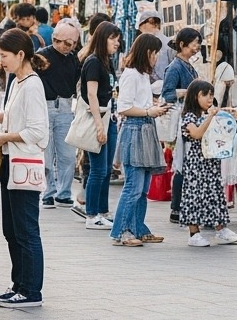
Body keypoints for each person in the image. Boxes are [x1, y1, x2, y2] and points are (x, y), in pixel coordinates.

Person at [0, 30, 47, 308]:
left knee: (26, 230)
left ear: (20, 55)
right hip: (9, 163)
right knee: (11, 230)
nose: (0, 61)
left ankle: (30, 291)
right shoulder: (17, 81)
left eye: (4, 56)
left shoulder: (32, 84)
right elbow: (16, 115)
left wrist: (6, 136)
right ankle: (19, 285)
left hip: (23, 164)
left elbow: (37, 129)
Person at [110, 33, 168, 247]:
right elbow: (124, 107)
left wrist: (153, 108)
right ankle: (121, 231)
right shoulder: (132, 74)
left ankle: (138, 227)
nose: (157, 57)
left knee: (143, 187)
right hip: (135, 130)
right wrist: (148, 111)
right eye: (155, 53)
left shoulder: (142, 75)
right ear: (147, 52)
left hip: (145, 128)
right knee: (133, 186)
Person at [178, 80, 237, 247]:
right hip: (196, 164)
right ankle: (194, 233)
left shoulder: (207, 114)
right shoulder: (189, 117)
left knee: (215, 194)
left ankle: (221, 229)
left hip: (211, 161)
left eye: (211, 95)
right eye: (205, 95)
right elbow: (197, 134)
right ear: (195, 96)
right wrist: (211, 117)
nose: (209, 98)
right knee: (194, 196)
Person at [79, 21, 122, 228]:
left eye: (118, 39)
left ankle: (102, 211)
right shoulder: (94, 62)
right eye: (113, 38)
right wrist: (98, 124)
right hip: (99, 118)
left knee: (105, 169)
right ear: (102, 38)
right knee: (97, 169)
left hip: (110, 118)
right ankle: (92, 214)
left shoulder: (107, 61)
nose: (117, 43)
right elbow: (91, 95)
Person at [38, 18, 81, 209]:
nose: (60, 45)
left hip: (65, 106)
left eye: (67, 43)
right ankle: (48, 191)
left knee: (67, 154)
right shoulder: (41, 55)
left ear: (74, 42)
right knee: (46, 153)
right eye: (56, 40)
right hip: (45, 106)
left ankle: (63, 192)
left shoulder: (73, 58)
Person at [162, 28, 202, 224]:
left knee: (187, 163)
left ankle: (184, 206)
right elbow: (167, 94)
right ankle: (176, 208)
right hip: (181, 122)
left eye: (198, 43)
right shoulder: (175, 67)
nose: (197, 47)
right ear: (182, 45)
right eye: (194, 43)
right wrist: (189, 92)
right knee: (181, 164)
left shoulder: (189, 66)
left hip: (190, 119)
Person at [137, 10, 175, 79]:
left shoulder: (146, 43)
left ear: (149, 22)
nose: (140, 30)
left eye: (141, 25)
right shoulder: (169, 42)